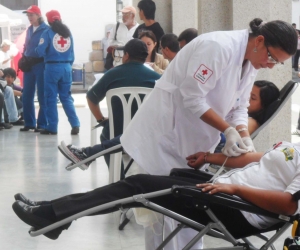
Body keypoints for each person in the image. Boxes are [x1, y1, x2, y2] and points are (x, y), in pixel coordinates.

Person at [120, 18, 297, 248]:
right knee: (166, 214)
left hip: (194, 142)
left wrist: (243, 134)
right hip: (166, 136)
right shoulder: (218, 47)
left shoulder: (251, 62)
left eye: (278, 63)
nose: (270, 65)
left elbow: (239, 107)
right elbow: (192, 96)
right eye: (272, 58)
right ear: (260, 41)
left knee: (183, 217)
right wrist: (227, 129)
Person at [12, 140, 299, 243]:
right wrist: (209, 158)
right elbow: (260, 159)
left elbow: (288, 206)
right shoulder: (294, 145)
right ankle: (55, 215)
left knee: (140, 185)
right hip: (225, 193)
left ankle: (52, 215)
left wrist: (236, 187)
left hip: (237, 211)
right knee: (169, 176)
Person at [58, 39, 161, 169]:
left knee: (106, 134)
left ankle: (117, 175)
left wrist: (101, 119)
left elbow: (91, 99)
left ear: (127, 55)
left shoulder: (112, 74)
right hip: (145, 133)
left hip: (116, 129)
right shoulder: (156, 77)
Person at [35, 10, 80, 135]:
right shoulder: (68, 33)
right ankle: (75, 124)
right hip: (66, 68)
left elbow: (40, 51)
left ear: (49, 21)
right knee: (66, 97)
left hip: (52, 68)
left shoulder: (47, 33)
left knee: (51, 98)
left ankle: (52, 127)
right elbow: (72, 54)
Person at [20, 5, 48, 133]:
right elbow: (26, 45)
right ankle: (29, 122)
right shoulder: (29, 29)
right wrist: (24, 57)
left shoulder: (46, 29)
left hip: (40, 64)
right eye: (28, 15)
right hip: (29, 65)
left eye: (31, 15)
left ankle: (42, 123)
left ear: (38, 15)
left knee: (42, 95)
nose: (29, 17)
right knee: (26, 95)